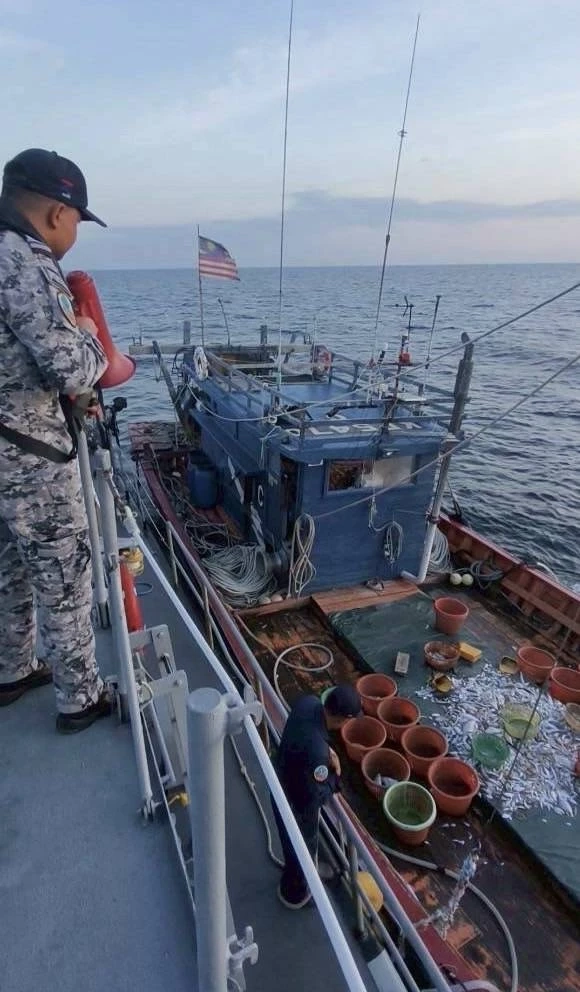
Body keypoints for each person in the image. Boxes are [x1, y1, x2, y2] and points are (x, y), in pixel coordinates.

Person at [0, 148, 111, 733]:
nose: (73, 232)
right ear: (53, 213)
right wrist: (91, 335)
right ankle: (80, 698)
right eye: (75, 220)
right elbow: (72, 368)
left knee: (9, 570)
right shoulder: (21, 259)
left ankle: (12, 668)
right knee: (63, 574)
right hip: (30, 459)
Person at [273, 683, 362, 909]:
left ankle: (303, 873)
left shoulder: (308, 702)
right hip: (295, 806)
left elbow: (304, 735)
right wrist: (335, 778)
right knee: (300, 849)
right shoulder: (317, 752)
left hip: (280, 779)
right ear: (343, 719)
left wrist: (326, 751)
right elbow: (316, 796)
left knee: (293, 847)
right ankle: (296, 895)